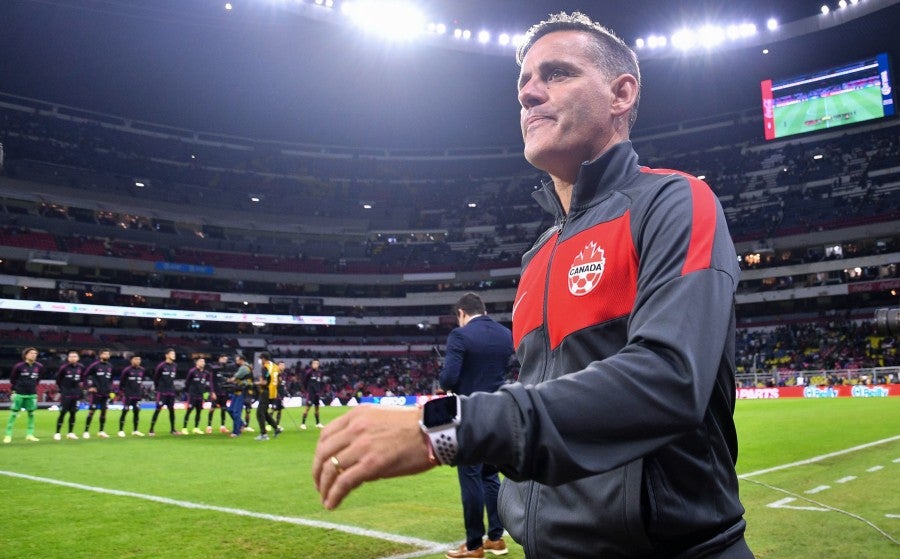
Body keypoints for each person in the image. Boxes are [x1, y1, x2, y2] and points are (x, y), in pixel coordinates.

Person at [313, 12, 752, 559]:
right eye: (523, 83)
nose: (529, 95)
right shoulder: (538, 254)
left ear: (621, 94)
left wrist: (447, 426)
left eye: (557, 74)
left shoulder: (676, 203)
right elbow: (548, 396)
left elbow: (669, 380)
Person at [439, 293, 513, 558]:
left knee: (470, 477)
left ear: (461, 312)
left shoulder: (460, 336)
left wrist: (444, 381)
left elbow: (448, 378)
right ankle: (496, 538)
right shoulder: (505, 334)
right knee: (491, 476)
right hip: (496, 414)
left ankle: (473, 545)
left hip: (468, 415)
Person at [4, 347, 44, 443]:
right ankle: (8, 435)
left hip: (32, 394)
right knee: (13, 414)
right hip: (19, 394)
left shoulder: (39, 366)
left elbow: (38, 379)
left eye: (35, 353)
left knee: (31, 414)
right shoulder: (19, 366)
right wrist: (15, 390)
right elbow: (12, 379)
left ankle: (30, 435)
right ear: (26, 355)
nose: (33, 355)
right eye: (31, 353)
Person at [82, 348, 114, 439]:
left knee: (104, 413)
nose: (107, 356)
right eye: (105, 354)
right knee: (92, 411)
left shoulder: (110, 366)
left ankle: (101, 431)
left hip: (106, 393)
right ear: (100, 355)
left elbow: (110, 380)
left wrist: (111, 390)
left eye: (108, 354)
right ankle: (86, 431)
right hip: (96, 393)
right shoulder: (94, 365)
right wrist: (88, 387)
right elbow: (84, 375)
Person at [148, 348, 180, 436]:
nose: (174, 355)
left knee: (172, 411)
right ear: (167, 355)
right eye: (172, 354)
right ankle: (151, 430)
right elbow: (156, 378)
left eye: (174, 354)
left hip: (171, 392)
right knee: (158, 410)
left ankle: (173, 429)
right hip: (162, 392)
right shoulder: (161, 366)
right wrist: (159, 388)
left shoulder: (175, 366)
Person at [54, 350, 84, 441]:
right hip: (66, 394)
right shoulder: (63, 368)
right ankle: (57, 433)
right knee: (63, 413)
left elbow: (82, 379)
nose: (73, 358)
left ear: (78, 358)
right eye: (71, 356)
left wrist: (80, 391)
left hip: (75, 394)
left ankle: (70, 433)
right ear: (68, 358)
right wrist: (63, 390)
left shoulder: (81, 367)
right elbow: (58, 380)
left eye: (75, 356)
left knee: (73, 413)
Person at [255, 352, 283, 441]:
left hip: (266, 392)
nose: (260, 360)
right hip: (273, 393)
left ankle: (264, 434)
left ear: (264, 359)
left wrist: (254, 383)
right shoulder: (275, 366)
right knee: (265, 413)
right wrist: (275, 387)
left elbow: (264, 382)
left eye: (260, 358)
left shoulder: (265, 367)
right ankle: (276, 429)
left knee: (259, 413)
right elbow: (279, 380)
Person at [117, 355, 146, 437]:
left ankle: (135, 430)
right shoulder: (127, 370)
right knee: (125, 411)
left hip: (137, 395)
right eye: (136, 359)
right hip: (128, 395)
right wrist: (122, 392)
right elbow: (121, 382)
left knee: (137, 412)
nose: (138, 361)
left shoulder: (142, 370)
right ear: (131, 360)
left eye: (139, 359)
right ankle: (121, 430)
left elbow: (140, 382)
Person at [227, 354, 253, 437]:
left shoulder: (244, 367)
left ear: (241, 360)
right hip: (237, 390)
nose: (236, 361)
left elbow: (236, 377)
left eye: (237, 359)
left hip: (242, 392)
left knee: (236, 412)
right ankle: (242, 423)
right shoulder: (243, 367)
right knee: (230, 410)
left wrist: (230, 380)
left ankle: (236, 432)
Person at [182, 357, 210, 435]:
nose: (203, 363)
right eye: (201, 361)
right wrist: (188, 392)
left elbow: (207, 384)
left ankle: (196, 428)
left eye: (203, 361)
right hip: (192, 395)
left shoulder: (206, 373)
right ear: (197, 363)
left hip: (200, 395)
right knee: (189, 411)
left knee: (199, 411)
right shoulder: (192, 371)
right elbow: (187, 382)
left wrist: (205, 394)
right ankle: (184, 428)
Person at [207, 354, 231, 434]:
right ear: (219, 359)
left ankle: (222, 427)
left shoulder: (226, 369)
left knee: (224, 409)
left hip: (224, 392)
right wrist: (212, 392)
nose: (225, 361)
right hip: (216, 392)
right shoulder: (214, 368)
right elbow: (211, 381)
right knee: (212, 408)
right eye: (223, 359)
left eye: (226, 359)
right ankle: (209, 426)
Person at [300, 358, 324, 429]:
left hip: (317, 393)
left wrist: (319, 390)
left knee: (317, 408)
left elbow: (320, 382)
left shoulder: (320, 372)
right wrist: (307, 390)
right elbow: (304, 381)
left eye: (316, 363)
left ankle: (318, 423)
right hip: (310, 393)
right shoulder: (309, 372)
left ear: (318, 364)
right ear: (311, 364)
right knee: (307, 408)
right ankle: (303, 424)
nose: (315, 365)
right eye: (314, 363)